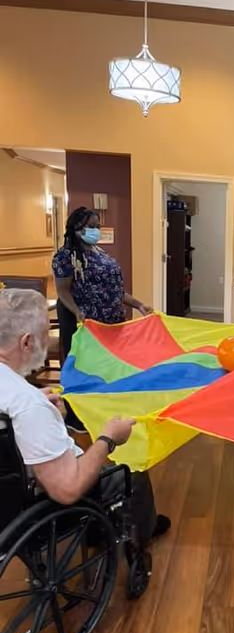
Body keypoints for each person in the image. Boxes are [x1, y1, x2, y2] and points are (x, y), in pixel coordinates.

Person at [0, 288, 169, 543]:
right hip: (33, 501)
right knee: (132, 471)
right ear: (26, 342)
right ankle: (139, 533)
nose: (47, 343)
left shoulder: (19, 397)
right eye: (45, 335)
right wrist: (108, 438)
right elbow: (67, 491)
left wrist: (36, 405)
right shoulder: (28, 405)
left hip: (10, 484)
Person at [53, 207, 153, 361]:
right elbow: (63, 291)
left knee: (112, 363)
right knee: (90, 366)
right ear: (77, 228)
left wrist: (138, 305)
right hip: (89, 323)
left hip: (113, 321)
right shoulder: (65, 256)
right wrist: (77, 312)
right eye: (91, 227)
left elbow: (114, 290)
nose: (96, 230)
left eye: (97, 227)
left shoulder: (99, 252)